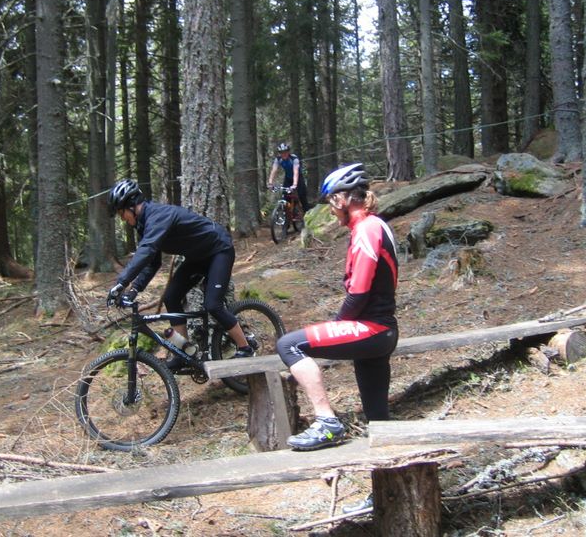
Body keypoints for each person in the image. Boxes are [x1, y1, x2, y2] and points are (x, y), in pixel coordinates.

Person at [276, 163, 399, 450]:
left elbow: (359, 293)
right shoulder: (375, 224)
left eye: (331, 202)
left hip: (371, 329)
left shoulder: (366, 229)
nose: (331, 210)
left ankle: (327, 423)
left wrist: (338, 327)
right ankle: (388, 471)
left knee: (288, 345)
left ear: (341, 199)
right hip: (382, 331)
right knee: (379, 422)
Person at [106, 179, 255, 367]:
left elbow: (147, 250)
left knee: (213, 304)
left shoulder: (157, 216)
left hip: (219, 250)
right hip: (197, 257)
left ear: (131, 206)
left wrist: (121, 282)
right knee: (171, 297)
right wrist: (134, 289)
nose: (122, 219)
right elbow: (153, 263)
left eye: (121, 213)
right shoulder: (145, 225)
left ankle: (245, 347)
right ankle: (183, 354)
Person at [267, 142, 312, 213]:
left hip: (298, 179)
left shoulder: (294, 159)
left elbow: (296, 172)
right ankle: (288, 215)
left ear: (288, 152)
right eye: (281, 152)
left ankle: (307, 213)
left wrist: (294, 184)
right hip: (288, 178)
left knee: (302, 196)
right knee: (285, 196)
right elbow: (274, 170)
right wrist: (270, 183)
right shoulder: (278, 159)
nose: (283, 154)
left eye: (285, 152)